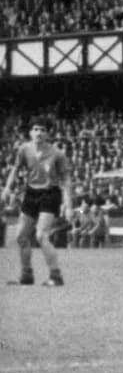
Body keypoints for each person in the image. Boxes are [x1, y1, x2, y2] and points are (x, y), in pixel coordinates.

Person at [1, 117, 72, 286]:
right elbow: (15, 169)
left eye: (43, 130)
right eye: (36, 129)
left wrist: (68, 205)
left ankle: (55, 275)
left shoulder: (57, 154)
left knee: (41, 235)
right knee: (21, 236)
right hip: (31, 193)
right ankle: (27, 275)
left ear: (48, 134)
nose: (39, 133)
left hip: (50, 194)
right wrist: (7, 189)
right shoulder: (24, 149)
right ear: (30, 132)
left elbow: (66, 180)